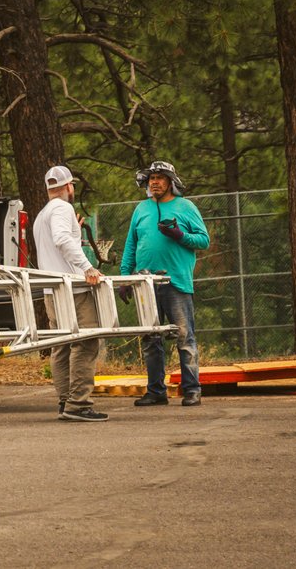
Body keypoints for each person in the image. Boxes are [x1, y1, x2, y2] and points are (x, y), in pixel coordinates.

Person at [119, 161, 210, 407]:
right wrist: (126, 277)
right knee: (150, 339)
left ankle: (192, 390)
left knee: (184, 337)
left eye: (160, 177)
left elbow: (203, 240)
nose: (154, 182)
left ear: (171, 181)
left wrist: (179, 235)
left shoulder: (186, 207)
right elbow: (131, 245)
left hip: (176, 282)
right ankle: (156, 391)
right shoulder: (141, 209)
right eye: (151, 178)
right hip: (145, 283)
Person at [32, 165, 108, 422]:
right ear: (68, 187)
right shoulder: (63, 208)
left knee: (61, 345)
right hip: (72, 288)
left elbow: (61, 239)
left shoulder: (43, 213)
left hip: (52, 290)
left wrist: (74, 232)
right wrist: (88, 268)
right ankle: (79, 403)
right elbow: (62, 239)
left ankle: (65, 400)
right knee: (86, 340)